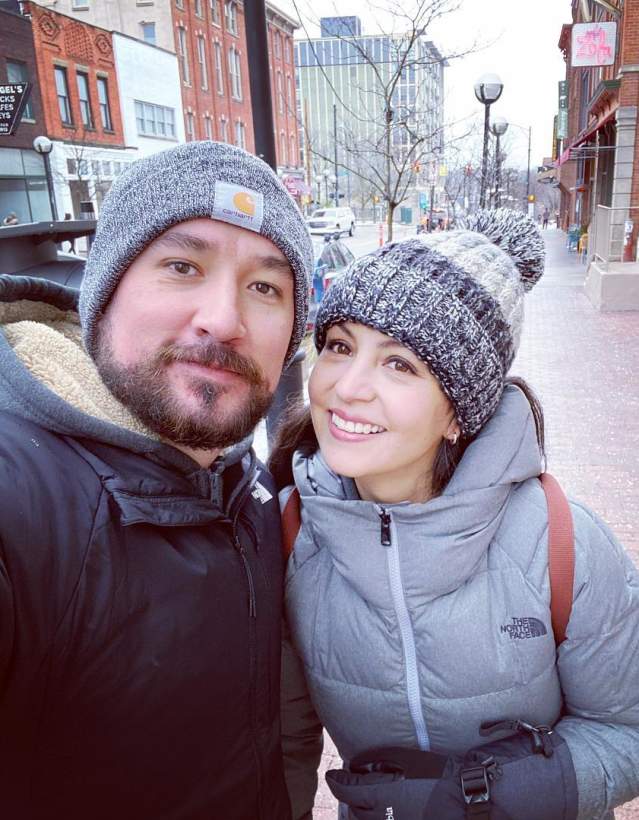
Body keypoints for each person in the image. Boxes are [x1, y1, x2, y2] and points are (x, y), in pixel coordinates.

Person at [273, 209, 639, 819]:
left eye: (400, 364)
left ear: (457, 414)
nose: (347, 386)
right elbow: (286, 743)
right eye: (339, 346)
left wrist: (515, 793)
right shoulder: (289, 537)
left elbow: (629, 727)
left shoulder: (559, 543)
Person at [0, 140, 313, 819]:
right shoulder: (17, 499)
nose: (224, 320)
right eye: (181, 265)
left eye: (264, 287)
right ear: (105, 294)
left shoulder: (238, 478)